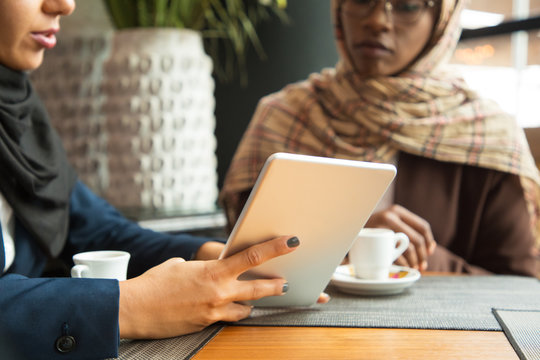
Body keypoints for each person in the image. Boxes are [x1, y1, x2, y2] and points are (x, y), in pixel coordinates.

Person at [0, 1, 329, 359]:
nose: (64, 5)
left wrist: (219, 258)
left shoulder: (18, 112)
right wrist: (129, 307)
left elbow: (97, 230)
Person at [220, 0, 540, 277]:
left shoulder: (489, 136)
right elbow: (238, 265)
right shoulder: (283, 117)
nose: (376, 20)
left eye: (408, 5)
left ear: (442, 19)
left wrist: (419, 255)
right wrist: (344, 241)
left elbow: (519, 290)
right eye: (361, 0)